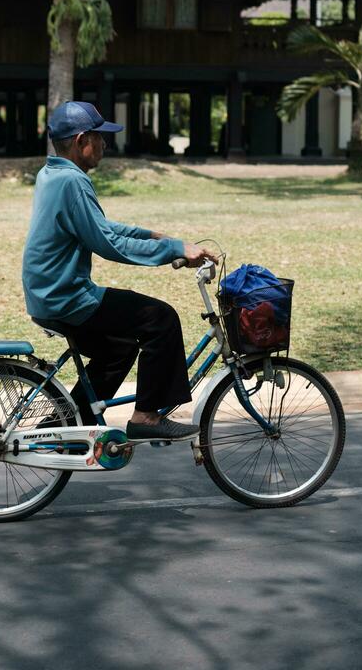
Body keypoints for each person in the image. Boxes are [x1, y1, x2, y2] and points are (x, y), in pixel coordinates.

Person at [22, 100, 218, 440]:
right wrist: (175, 249)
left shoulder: (52, 173)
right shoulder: (72, 182)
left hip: (48, 293)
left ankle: (64, 430)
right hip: (66, 297)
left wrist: (153, 235)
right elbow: (108, 243)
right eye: (100, 138)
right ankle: (145, 418)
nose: (104, 145)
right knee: (160, 319)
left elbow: (99, 227)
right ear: (83, 140)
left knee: (121, 346)